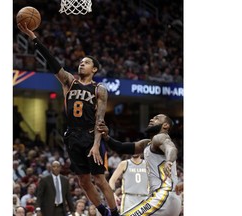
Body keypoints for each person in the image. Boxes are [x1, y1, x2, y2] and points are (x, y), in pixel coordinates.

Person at [18, 23, 119, 216]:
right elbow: (51, 61)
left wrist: (97, 144)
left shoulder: (100, 90)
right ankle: (103, 211)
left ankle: (115, 212)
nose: (81, 64)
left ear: (94, 69)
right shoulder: (69, 82)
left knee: (99, 179)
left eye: (86, 62)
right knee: (83, 181)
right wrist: (33, 38)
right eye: (80, 61)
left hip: (91, 135)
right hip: (72, 136)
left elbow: (100, 120)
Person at [98, 114, 182, 216]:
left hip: (163, 196)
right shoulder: (147, 144)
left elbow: (171, 148)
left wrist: (169, 161)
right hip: (173, 200)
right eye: (152, 117)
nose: (152, 119)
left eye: (156, 119)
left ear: (165, 125)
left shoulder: (160, 137)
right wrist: (107, 137)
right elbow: (120, 147)